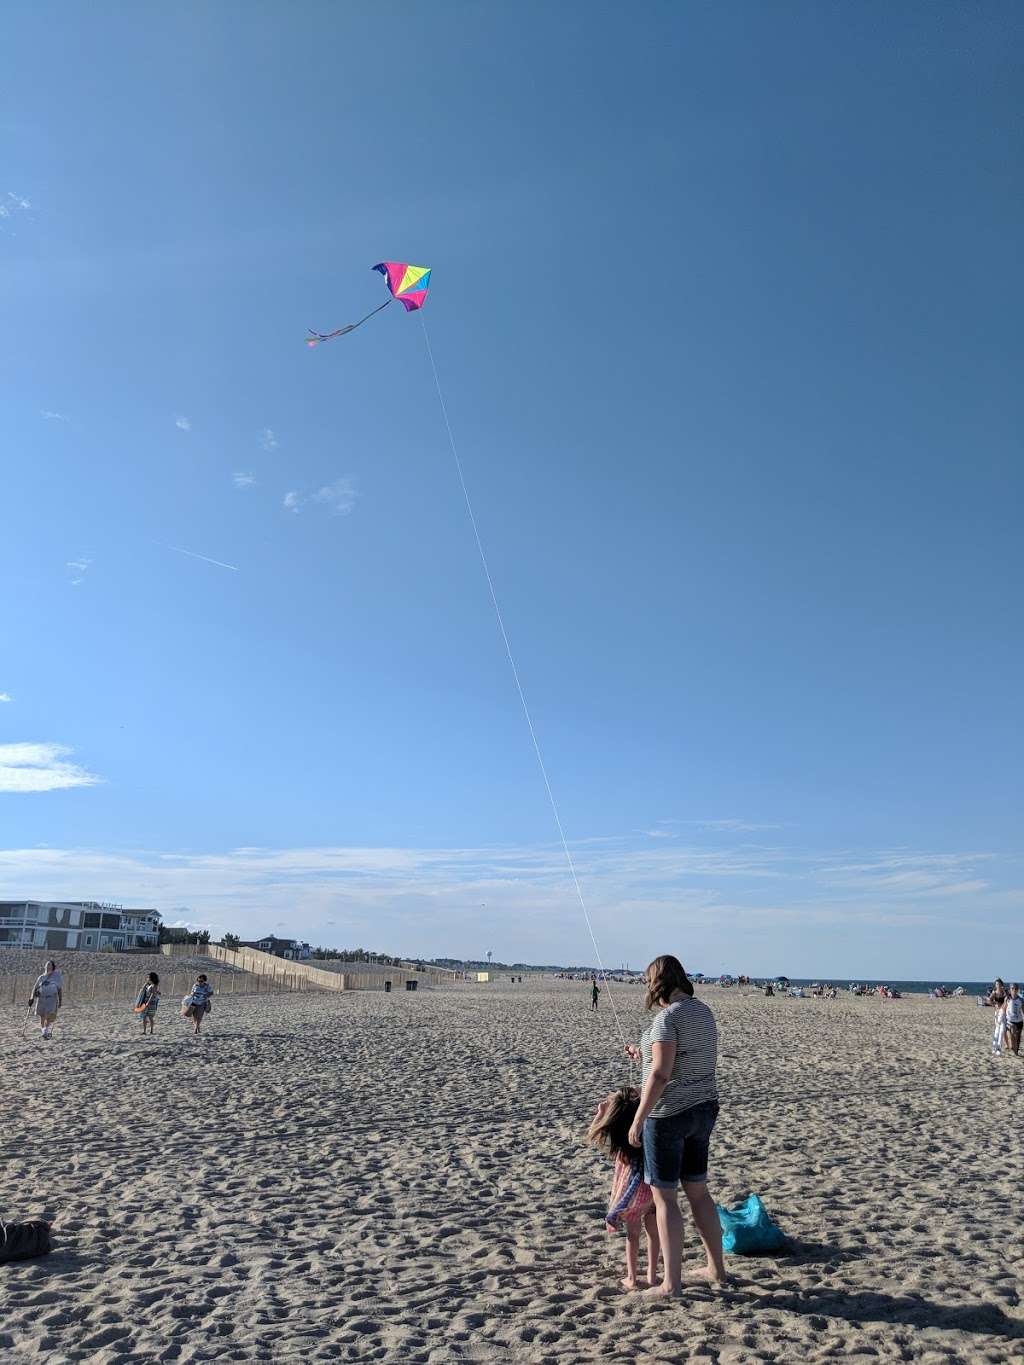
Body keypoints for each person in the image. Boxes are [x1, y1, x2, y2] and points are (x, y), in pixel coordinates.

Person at [623, 954, 726, 1297]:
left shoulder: (667, 1019)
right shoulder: (704, 1012)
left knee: (665, 1199)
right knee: (699, 1191)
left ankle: (671, 1284)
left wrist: (638, 1118)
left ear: (659, 984)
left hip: (669, 1116)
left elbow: (662, 1074)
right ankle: (716, 1269)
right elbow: (682, 1057)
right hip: (704, 1109)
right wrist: (644, 1055)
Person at [587, 1086, 659, 1290]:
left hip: (632, 1194)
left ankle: (632, 1278)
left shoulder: (620, 1138)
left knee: (633, 1235)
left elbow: (593, 1132)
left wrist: (601, 1113)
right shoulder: (644, 1129)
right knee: (653, 1232)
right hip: (651, 1187)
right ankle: (652, 1276)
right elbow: (646, 1095)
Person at [29, 960, 63, 1040]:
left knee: (50, 1016)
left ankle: (45, 1031)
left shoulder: (56, 977)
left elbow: (59, 990)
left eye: (50, 965)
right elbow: (35, 988)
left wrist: (60, 1001)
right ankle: (44, 1031)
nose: (48, 966)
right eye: (47, 964)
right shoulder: (41, 977)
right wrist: (31, 998)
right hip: (41, 999)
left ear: (53, 967)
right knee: (42, 1016)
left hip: (52, 999)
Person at [1005, 984, 1022, 1057]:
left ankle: (1016, 1051)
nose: (1014, 990)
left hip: (1020, 1021)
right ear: (1010, 990)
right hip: (1010, 1020)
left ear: (1018, 990)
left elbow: (1023, 1010)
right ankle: (1013, 1048)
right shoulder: (1007, 999)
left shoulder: (1021, 1000)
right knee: (1014, 1035)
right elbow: (1004, 1008)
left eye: (1015, 989)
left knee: (1018, 1037)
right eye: (1012, 988)